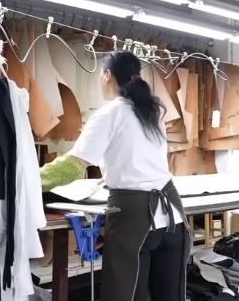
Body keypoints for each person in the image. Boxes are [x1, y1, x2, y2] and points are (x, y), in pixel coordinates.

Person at [39, 51, 190, 301]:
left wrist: (28, 180)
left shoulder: (109, 114)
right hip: (173, 218)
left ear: (108, 75)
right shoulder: (152, 113)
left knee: (125, 295)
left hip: (136, 219)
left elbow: (73, 167)